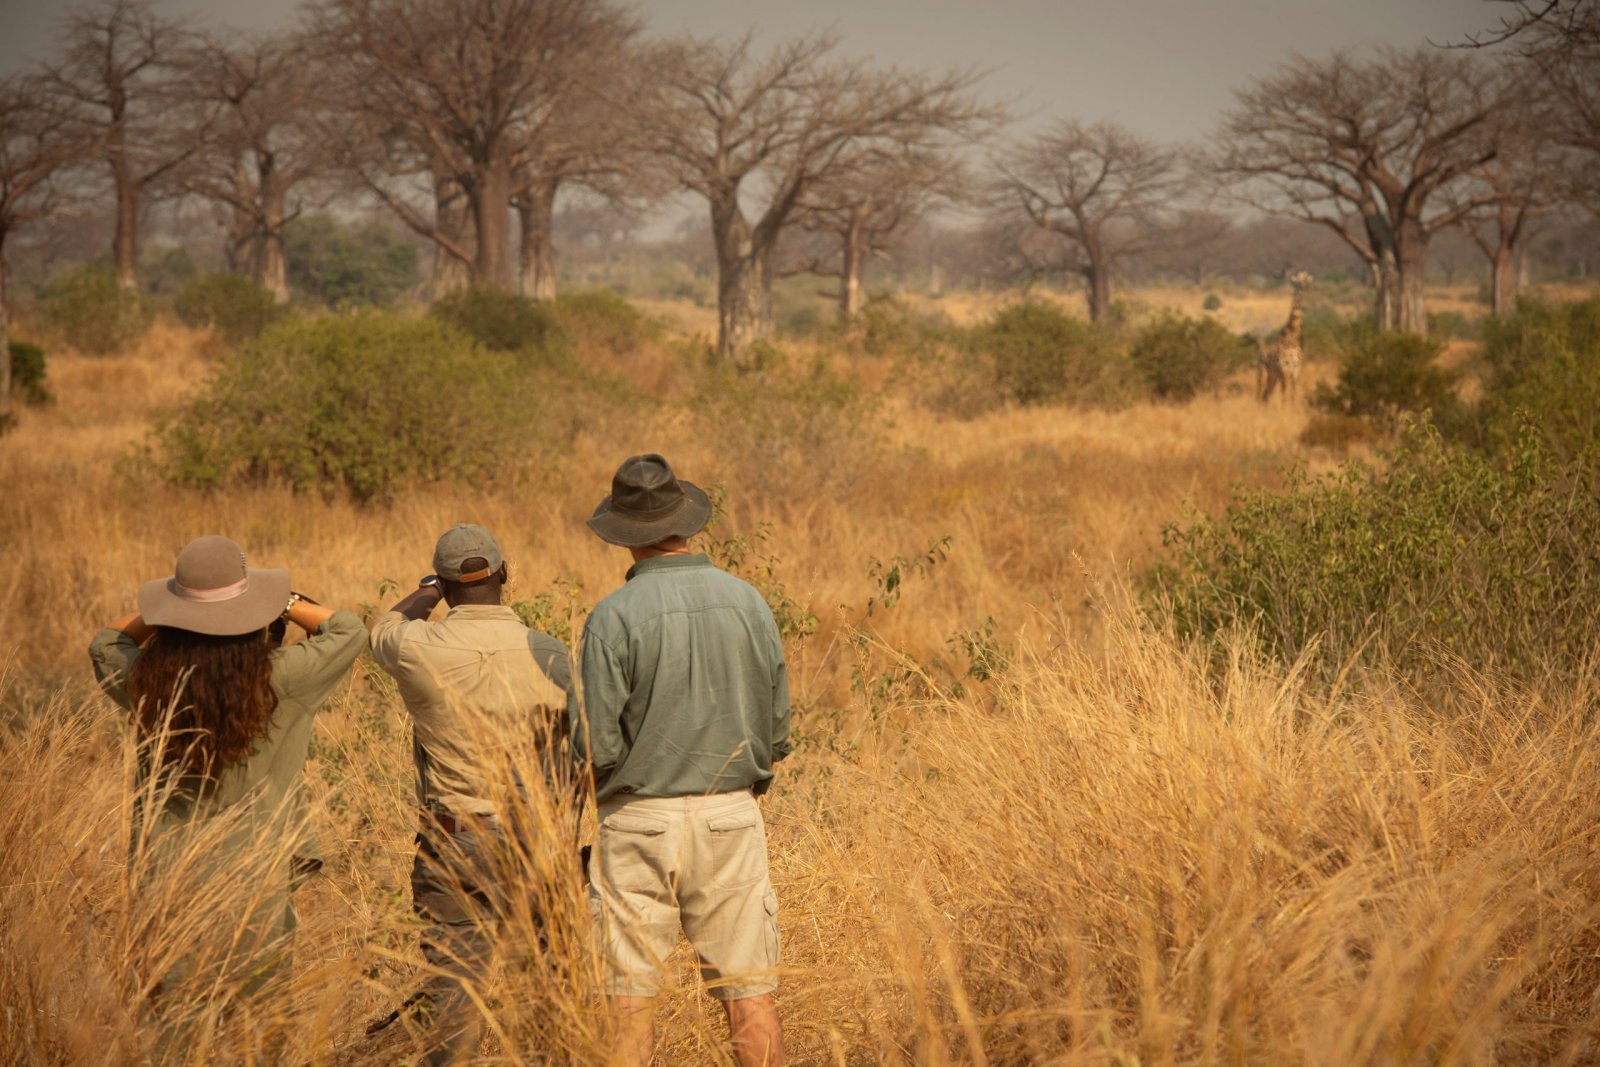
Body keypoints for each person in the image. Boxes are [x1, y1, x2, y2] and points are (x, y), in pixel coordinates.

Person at [572, 454, 790, 1067]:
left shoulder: (614, 617)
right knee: (749, 995)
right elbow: (776, 733)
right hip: (730, 816)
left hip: (637, 822)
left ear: (623, 532)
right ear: (685, 520)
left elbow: (599, 747)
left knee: (627, 1000)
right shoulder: (749, 602)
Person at [87, 534, 365, 1003]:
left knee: (174, 1029)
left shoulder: (146, 683)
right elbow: (349, 630)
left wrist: (167, 610)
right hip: (258, 884)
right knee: (258, 1029)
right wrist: (287, 603)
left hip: (166, 884)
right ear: (251, 612)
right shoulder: (282, 677)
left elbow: (105, 642)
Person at [367, 523, 574, 1064]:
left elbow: (384, 626)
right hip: (538, 837)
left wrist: (428, 589)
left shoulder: (419, 647)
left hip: (457, 836)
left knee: (455, 989)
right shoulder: (552, 653)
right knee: (546, 985)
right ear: (506, 575)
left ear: (446, 584)